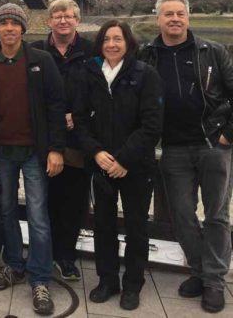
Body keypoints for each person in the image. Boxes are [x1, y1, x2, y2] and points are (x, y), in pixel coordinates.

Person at [139, 0, 233, 313]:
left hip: (212, 146)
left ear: (188, 17)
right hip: (173, 148)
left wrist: (227, 136)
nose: (175, 18)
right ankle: (201, 270)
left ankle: (213, 282)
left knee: (217, 215)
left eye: (180, 13)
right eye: (168, 14)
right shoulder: (147, 56)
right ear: (158, 19)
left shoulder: (213, 51)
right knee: (181, 215)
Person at [0, 3, 66, 317]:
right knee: (7, 211)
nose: (10, 28)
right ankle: (14, 264)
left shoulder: (41, 60)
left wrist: (56, 148)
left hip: (35, 152)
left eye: (15, 24)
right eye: (4, 24)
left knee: (39, 216)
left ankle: (40, 278)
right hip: (1, 152)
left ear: (23, 29)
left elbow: (56, 106)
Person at [75, 20, 163, 311]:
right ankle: (107, 279)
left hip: (135, 165)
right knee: (103, 224)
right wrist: (97, 152)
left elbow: (152, 125)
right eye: (107, 39)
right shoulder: (90, 73)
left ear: (129, 43)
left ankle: (133, 284)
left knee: (137, 226)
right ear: (100, 43)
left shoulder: (144, 74)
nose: (112, 44)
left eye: (118, 39)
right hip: (101, 163)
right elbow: (80, 119)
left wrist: (124, 159)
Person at [31, 0, 94, 281]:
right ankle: (44, 254)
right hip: (44, 138)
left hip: (79, 139)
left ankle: (67, 257)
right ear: (49, 21)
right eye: (57, 16)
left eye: (68, 16)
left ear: (77, 20)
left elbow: (100, 93)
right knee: (45, 199)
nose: (63, 21)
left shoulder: (91, 52)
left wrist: (77, 117)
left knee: (74, 200)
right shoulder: (36, 52)